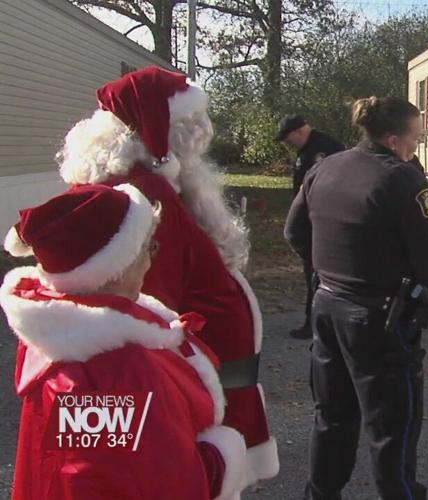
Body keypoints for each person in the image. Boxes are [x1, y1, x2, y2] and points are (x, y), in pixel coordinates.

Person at [57, 66, 278, 485]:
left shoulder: (140, 184)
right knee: (180, 480)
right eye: (193, 123)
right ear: (164, 129)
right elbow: (145, 302)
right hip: (192, 390)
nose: (202, 133)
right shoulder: (146, 195)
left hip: (200, 379)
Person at [2, 183, 248, 499]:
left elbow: (94, 467)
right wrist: (222, 458)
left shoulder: (62, 337)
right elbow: (141, 482)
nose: (151, 261)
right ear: (117, 268)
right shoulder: (109, 370)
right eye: (148, 249)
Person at [284, 96, 428, 500]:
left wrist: (331, 270)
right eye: (416, 138)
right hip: (379, 320)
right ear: (394, 140)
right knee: (390, 430)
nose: (416, 146)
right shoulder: (402, 178)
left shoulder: (324, 167)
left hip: (327, 307)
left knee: (332, 417)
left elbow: (294, 232)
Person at [276, 115, 346, 339]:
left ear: (299, 131)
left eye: (288, 139)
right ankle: (317, 321)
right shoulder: (307, 149)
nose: (287, 144)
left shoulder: (325, 148)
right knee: (312, 273)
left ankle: (316, 323)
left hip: (322, 221)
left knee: (317, 273)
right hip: (310, 220)